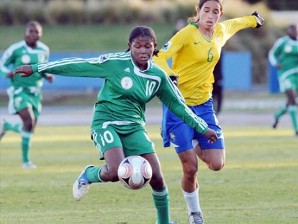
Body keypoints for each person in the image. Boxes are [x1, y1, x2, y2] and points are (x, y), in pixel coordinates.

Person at [13, 26, 218, 224]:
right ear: (129, 46)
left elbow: (179, 105)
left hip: (134, 126)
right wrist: (37, 68)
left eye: (148, 46)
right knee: (115, 172)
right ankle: (89, 174)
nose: (143, 51)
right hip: (106, 122)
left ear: (154, 47)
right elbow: (78, 65)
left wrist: (202, 127)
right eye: (138, 46)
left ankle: (163, 222)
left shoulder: (158, 76)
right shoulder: (115, 63)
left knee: (157, 177)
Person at [153, 1, 264, 223]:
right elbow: (159, 57)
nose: (211, 15)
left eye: (215, 12)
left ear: (220, 14)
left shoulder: (221, 31)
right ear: (199, 12)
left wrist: (254, 20)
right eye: (206, 10)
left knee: (216, 164)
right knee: (191, 168)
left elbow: (236, 23)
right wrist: (170, 75)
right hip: (179, 107)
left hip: (204, 106)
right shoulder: (186, 34)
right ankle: (195, 214)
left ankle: (193, 142)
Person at [0, 21, 53, 169]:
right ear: (26, 33)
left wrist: (46, 76)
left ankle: (8, 126)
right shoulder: (16, 49)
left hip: (36, 93)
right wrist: (7, 73)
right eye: (31, 31)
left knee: (30, 127)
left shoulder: (44, 50)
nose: (34, 34)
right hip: (19, 91)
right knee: (28, 122)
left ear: (40, 35)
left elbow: (43, 68)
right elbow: (2, 64)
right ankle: (26, 162)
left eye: (37, 32)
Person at [268, 24, 298, 137]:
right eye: (291, 30)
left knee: (292, 101)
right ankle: (296, 130)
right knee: (292, 99)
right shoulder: (283, 42)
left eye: (295, 30)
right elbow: (272, 54)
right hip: (286, 75)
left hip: (297, 75)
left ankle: (277, 115)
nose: (294, 32)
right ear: (288, 31)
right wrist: (276, 63)